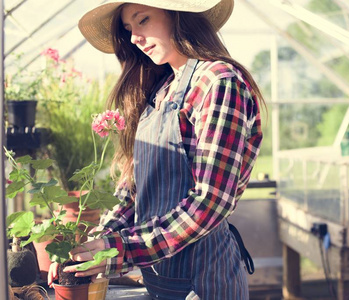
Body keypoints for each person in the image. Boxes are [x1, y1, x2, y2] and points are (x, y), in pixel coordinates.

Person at [48, 0, 264, 299]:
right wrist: (94, 245)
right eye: (128, 29)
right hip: (158, 278)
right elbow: (132, 191)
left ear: (180, 16)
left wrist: (121, 250)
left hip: (204, 282)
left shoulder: (219, 83)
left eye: (143, 20)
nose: (135, 37)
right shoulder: (161, 90)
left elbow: (210, 201)